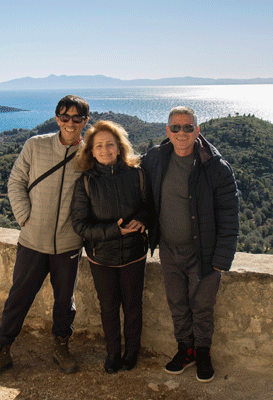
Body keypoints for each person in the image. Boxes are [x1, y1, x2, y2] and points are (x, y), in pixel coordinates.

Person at [0, 95, 90, 381]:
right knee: (19, 298)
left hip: (68, 243)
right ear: (57, 118)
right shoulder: (35, 145)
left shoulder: (89, 154)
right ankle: (1, 350)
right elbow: (16, 182)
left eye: (76, 118)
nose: (70, 123)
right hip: (32, 240)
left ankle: (61, 346)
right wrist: (24, 217)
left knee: (64, 302)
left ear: (85, 121)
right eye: (64, 117)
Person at [141, 106, 239, 383]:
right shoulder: (156, 158)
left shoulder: (215, 167)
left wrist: (221, 260)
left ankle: (203, 353)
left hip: (204, 252)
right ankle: (186, 350)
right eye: (176, 127)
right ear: (167, 131)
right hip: (169, 250)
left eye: (187, 127)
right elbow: (136, 184)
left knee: (202, 308)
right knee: (178, 304)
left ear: (197, 131)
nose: (181, 133)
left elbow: (229, 215)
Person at [70, 120, 152, 374]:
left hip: (134, 254)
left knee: (133, 307)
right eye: (99, 146)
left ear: (119, 147)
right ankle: (113, 352)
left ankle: (132, 351)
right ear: (91, 151)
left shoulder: (137, 175)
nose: (105, 150)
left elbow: (149, 208)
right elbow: (80, 225)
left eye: (110, 144)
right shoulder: (85, 183)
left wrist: (142, 220)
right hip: (101, 257)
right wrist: (114, 231)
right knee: (108, 307)